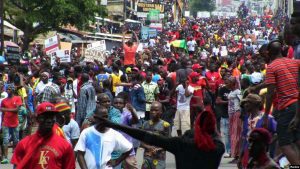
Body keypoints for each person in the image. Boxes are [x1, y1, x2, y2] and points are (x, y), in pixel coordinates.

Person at [100, 110, 225, 169]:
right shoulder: (218, 147)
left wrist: (113, 125)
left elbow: (146, 136)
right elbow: (213, 137)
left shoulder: (181, 144)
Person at [263, 40, 300, 165]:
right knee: (296, 141)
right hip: (298, 105)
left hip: (287, 107)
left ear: (268, 53)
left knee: (284, 143)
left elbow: (270, 94)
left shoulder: (272, 67)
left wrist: (265, 115)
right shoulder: (295, 62)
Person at [11, 102, 75, 169]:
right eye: (45, 117)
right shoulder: (24, 144)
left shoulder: (65, 146)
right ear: (37, 119)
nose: (49, 120)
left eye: (51, 117)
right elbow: (17, 166)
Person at [141, 101, 171, 169]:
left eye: (156, 110)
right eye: (151, 110)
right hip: (147, 158)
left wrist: (158, 149)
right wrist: (148, 147)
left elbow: (169, 143)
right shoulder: (145, 124)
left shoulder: (165, 125)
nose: (153, 112)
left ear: (161, 111)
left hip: (160, 158)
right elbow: (141, 142)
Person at [0, 84, 22, 164]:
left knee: (16, 140)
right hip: (6, 123)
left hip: (15, 123)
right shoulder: (4, 101)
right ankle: (6, 157)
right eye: (7, 89)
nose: (8, 90)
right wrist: (2, 122)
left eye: (9, 89)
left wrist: (5, 109)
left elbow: (16, 110)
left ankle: (15, 156)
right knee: (5, 140)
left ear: (13, 90)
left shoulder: (18, 98)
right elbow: (2, 113)